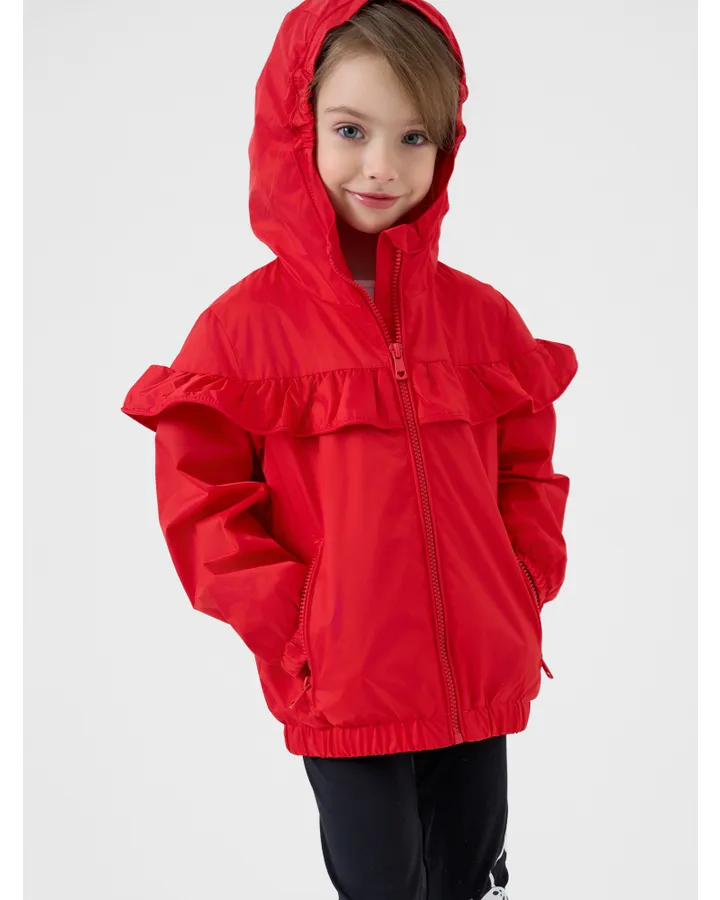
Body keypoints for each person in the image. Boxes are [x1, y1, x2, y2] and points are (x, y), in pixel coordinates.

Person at [120, 1, 578, 897]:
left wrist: (522, 580)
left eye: (414, 137)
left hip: (479, 683)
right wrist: (302, 628)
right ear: (295, 129)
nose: (382, 166)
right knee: (381, 883)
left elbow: (527, 469)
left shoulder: (483, 319)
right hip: (346, 688)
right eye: (350, 130)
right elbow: (203, 506)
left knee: (469, 878)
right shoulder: (242, 332)